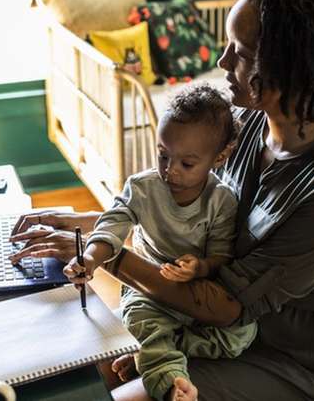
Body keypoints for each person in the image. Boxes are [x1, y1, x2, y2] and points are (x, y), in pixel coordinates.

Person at [9, 0, 314, 400]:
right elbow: (201, 215)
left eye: (240, 53)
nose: (223, 62)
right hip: (210, 327)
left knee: (118, 394)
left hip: (292, 359)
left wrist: (106, 254)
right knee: (78, 365)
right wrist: (98, 223)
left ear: (291, 67)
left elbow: (224, 304)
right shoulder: (251, 127)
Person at [75, 83, 256, 400]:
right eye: (162, 155)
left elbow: (220, 256)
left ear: (220, 156)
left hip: (194, 294)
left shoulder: (222, 201)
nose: (170, 170)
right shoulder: (143, 188)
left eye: (186, 163)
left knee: (241, 335)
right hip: (149, 292)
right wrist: (90, 258)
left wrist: (199, 267)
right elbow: (113, 223)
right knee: (145, 322)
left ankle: (154, 349)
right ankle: (171, 381)